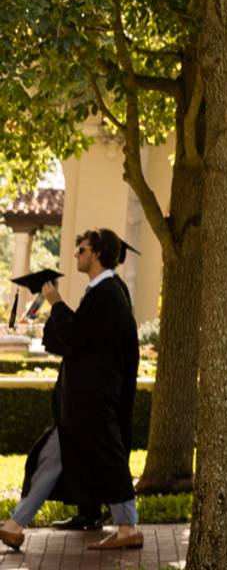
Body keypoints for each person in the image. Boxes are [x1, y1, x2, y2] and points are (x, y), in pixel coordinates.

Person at [3, 230, 143, 551]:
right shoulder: (99, 292)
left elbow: (77, 336)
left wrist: (56, 302)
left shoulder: (108, 292)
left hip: (93, 401)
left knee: (109, 456)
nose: (76, 254)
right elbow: (74, 339)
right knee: (52, 458)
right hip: (79, 402)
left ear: (96, 254)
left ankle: (128, 526)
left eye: (81, 249)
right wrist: (56, 310)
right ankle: (14, 525)